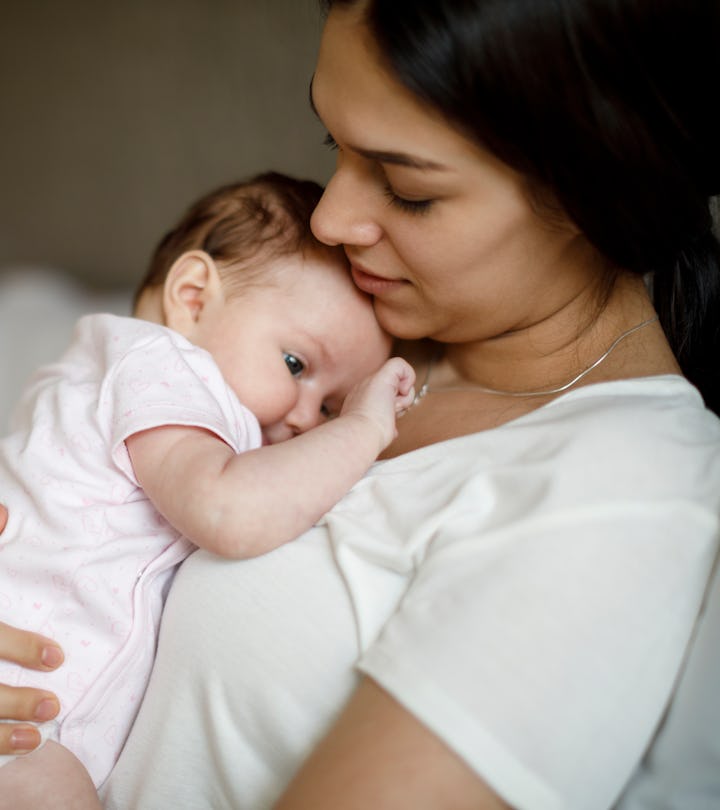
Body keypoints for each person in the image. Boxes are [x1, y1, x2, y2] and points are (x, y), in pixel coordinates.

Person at [2, 1, 720, 808]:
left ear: (594, 191)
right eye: (331, 145)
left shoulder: (617, 490)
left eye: (408, 189)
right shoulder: (336, 322)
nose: (331, 220)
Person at [0, 171, 413, 807]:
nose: (307, 418)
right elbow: (228, 509)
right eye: (297, 365)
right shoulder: (162, 369)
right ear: (192, 298)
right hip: (23, 716)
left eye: (331, 406)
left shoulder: (113, 377)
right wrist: (361, 427)